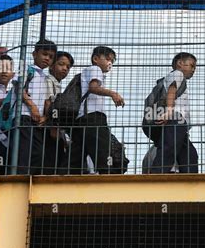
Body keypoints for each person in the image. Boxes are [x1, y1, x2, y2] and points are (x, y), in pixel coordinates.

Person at [70, 46, 125, 174]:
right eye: (107, 59)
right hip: (93, 117)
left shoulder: (87, 72)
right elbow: (93, 88)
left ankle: (66, 175)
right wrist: (113, 94)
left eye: (112, 60)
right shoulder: (95, 69)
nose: (110, 63)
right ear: (95, 59)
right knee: (102, 149)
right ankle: (104, 176)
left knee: (77, 151)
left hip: (82, 118)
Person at [11, 39, 57, 174]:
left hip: (36, 121)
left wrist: (45, 117)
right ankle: (19, 181)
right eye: (44, 54)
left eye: (51, 57)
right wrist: (32, 106)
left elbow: (46, 101)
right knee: (23, 151)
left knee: (37, 153)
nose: (47, 58)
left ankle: (30, 180)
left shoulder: (45, 78)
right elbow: (18, 87)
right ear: (34, 54)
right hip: (23, 116)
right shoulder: (24, 67)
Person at [150, 52, 198, 173]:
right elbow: (172, 90)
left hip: (179, 123)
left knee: (190, 155)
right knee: (168, 150)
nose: (193, 70)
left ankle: (190, 180)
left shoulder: (175, 76)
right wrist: (169, 111)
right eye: (191, 65)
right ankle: (156, 177)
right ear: (180, 63)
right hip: (175, 119)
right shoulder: (178, 74)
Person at [43, 51, 74, 174]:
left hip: (55, 128)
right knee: (51, 160)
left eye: (68, 67)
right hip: (49, 128)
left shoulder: (57, 84)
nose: (65, 69)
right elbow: (48, 103)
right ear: (51, 65)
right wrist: (53, 126)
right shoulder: (48, 81)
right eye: (61, 64)